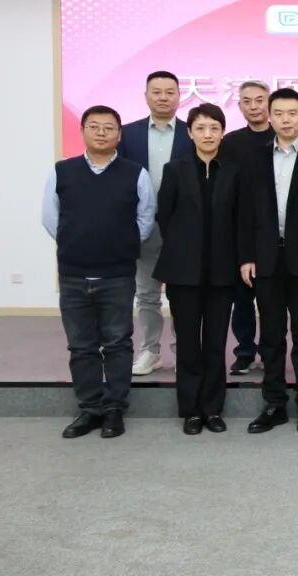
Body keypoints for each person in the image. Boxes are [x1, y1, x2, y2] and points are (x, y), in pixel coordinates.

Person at [43, 105, 156, 439]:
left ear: (119, 135)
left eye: (109, 128)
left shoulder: (136, 173)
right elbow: (51, 219)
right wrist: (77, 242)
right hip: (74, 274)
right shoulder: (62, 171)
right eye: (95, 126)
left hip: (117, 274)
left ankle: (114, 409)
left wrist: (120, 245)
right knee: (81, 346)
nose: (102, 133)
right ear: (83, 131)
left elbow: (145, 219)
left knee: (118, 343)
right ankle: (89, 408)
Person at [239, 88, 298, 435]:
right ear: (270, 116)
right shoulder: (253, 157)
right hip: (265, 258)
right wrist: (246, 256)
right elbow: (244, 210)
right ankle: (275, 403)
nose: (285, 120)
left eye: (292, 113)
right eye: (278, 113)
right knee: (271, 335)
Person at [154, 104, 240, 435]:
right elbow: (165, 216)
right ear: (189, 133)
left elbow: (240, 218)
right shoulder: (175, 169)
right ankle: (190, 410)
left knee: (216, 343)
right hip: (184, 273)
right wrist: (185, 248)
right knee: (188, 343)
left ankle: (212, 408)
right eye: (200, 128)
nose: (207, 134)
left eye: (214, 128)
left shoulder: (234, 171)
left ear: (222, 132)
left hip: (222, 273)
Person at [118, 70, 194, 375]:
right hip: (144, 226)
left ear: (179, 96)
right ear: (146, 96)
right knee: (147, 294)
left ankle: (182, 349)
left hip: (183, 228)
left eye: (169, 92)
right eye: (157, 92)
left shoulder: (192, 132)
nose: (163, 98)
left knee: (181, 294)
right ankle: (150, 351)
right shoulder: (127, 134)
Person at [219, 80, 274, 375]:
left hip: (274, 233)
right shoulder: (229, 143)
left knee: (270, 299)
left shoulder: (284, 138)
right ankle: (244, 350)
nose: (254, 106)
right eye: (247, 101)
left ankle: (269, 351)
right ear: (239, 106)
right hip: (237, 231)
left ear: (269, 103)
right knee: (241, 298)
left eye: (259, 100)